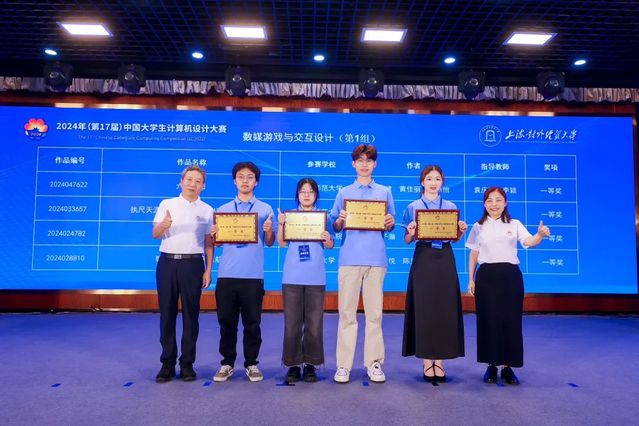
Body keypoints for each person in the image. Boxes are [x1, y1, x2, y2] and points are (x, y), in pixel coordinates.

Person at [466, 186, 550, 385]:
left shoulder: (515, 224)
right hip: (486, 277)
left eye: (498, 200)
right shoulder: (478, 226)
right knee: (488, 321)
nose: (494, 204)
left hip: (510, 277)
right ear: (484, 204)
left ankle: (507, 367)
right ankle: (491, 366)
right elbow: (474, 254)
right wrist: (471, 279)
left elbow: (529, 241)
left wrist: (539, 235)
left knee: (510, 321)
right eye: (489, 200)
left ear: (505, 203)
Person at [330, 144, 395, 384]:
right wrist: (340, 221)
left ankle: (374, 363)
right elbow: (335, 226)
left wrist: (389, 222)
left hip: (376, 260)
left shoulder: (385, 192)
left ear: (375, 164)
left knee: (374, 314)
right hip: (349, 259)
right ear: (353, 164)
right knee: (346, 314)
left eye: (368, 160)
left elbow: (390, 225)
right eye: (360, 160)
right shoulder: (344, 192)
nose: (364, 164)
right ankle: (343, 365)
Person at [210, 161, 275, 382]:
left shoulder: (265, 209)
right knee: (226, 322)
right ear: (234, 180)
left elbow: (270, 242)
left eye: (250, 177)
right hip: (227, 275)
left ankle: (251, 363)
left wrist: (268, 231)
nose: (245, 181)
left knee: (252, 323)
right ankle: (227, 363)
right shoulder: (223, 210)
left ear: (256, 182)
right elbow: (218, 243)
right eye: (241, 177)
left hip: (253, 276)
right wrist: (215, 234)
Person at [401, 165, 467, 382]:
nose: (433, 182)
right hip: (423, 257)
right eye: (429, 179)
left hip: (445, 258)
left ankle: (440, 360)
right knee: (425, 308)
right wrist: (411, 233)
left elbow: (454, 239)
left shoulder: (450, 206)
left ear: (442, 182)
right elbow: (407, 240)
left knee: (444, 309)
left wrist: (460, 231)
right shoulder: (413, 207)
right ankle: (426, 360)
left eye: (437, 179)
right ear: (422, 182)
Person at [152, 165, 214, 383]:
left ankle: (187, 364)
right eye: (189, 179)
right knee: (167, 314)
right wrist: (164, 224)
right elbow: (155, 234)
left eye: (198, 181)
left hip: (193, 264)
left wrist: (208, 270)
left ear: (203, 186)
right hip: (167, 263)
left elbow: (209, 243)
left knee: (191, 315)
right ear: (181, 181)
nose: (192, 184)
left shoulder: (207, 209)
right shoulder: (167, 204)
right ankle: (167, 363)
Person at [277, 178, 334, 383]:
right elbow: (282, 243)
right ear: (298, 195)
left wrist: (327, 238)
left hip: (315, 277)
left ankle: (311, 364)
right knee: (292, 324)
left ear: (316, 195)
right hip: (292, 276)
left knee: (314, 324)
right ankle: (293, 365)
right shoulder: (289, 216)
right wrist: (281, 224)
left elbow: (330, 245)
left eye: (310, 191)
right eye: (303, 191)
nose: (307, 195)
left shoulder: (324, 217)